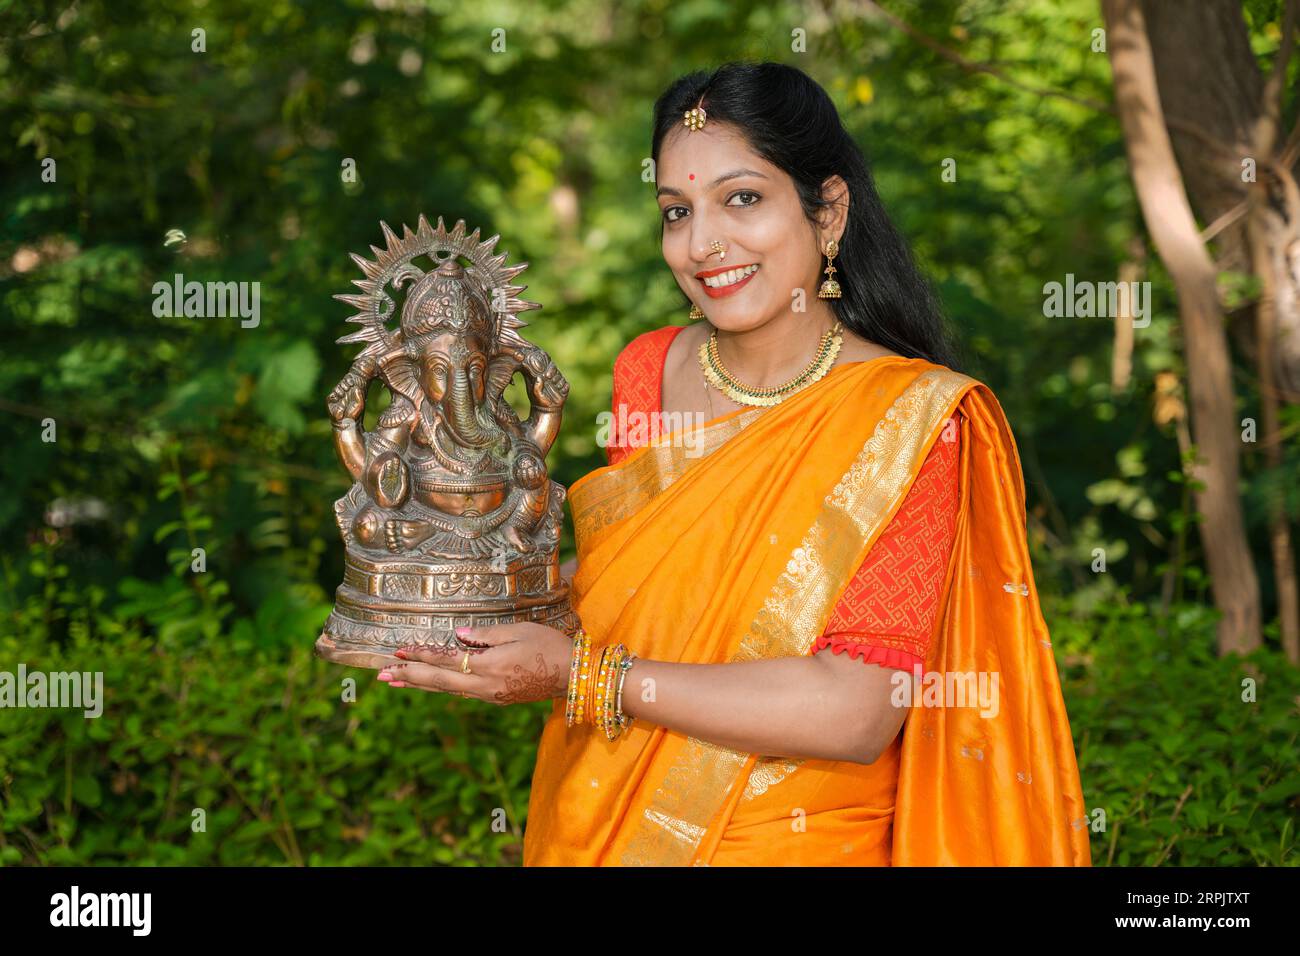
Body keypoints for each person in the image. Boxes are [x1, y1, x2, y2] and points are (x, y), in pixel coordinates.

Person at [376, 61, 1091, 867]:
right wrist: (472, 596)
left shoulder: (913, 419)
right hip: (610, 817)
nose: (701, 243)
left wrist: (587, 679)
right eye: (676, 211)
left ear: (829, 213)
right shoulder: (646, 372)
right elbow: (640, 590)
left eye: (742, 198)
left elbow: (858, 711)